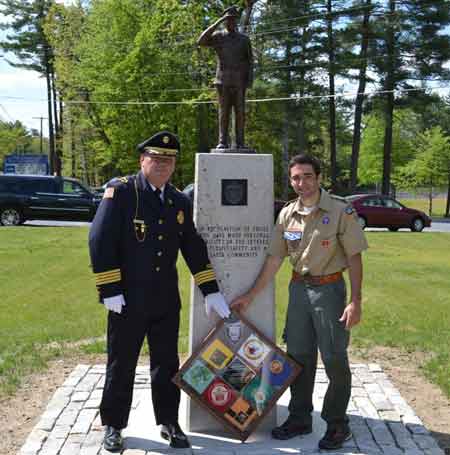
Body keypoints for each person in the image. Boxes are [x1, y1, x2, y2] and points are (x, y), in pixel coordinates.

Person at [89, 131, 230, 452]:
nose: (163, 165)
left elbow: (192, 247)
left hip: (165, 300)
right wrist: (109, 288)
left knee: (166, 364)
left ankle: (168, 421)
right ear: (143, 160)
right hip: (126, 299)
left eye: (169, 160)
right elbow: (100, 240)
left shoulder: (178, 200)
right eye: (157, 158)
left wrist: (211, 290)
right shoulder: (122, 192)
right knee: (121, 362)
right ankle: (113, 424)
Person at [231, 154, 368, 451]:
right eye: (295, 178)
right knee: (299, 356)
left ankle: (336, 423)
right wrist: (251, 295)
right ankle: (299, 417)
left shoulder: (341, 211)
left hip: (329, 291)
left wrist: (355, 301)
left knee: (333, 356)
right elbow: (275, 258)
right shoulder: (287, 214)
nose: (301, 183)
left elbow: (355, 257)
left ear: (319, 178)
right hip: (298, 291)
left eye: (307, 176)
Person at [198, 5, 253, 149]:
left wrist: (249, 80)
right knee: (224, 113)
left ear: (237, 21)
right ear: (224, 21)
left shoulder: (244, 39)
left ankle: (240, 143)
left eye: (234, 19)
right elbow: (201, 41)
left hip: (239, 81)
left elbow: (249, 61)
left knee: (240, 113)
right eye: (228, 19)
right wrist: (216, 23)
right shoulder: (218, 37)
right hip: (222, 81)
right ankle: (222, 141)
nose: (231, 22)